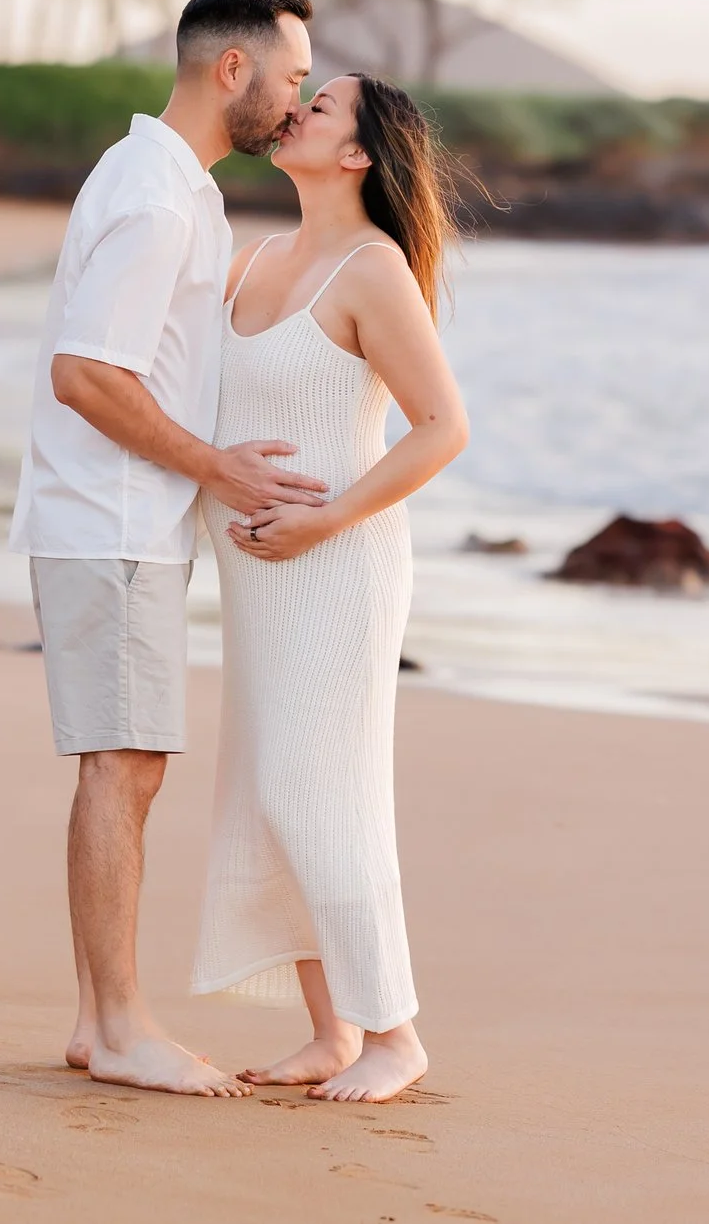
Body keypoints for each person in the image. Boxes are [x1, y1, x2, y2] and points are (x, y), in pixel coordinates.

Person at [7, 0, 320, 1097]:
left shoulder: (173, 183)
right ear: (228, 67)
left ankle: (103, 1020)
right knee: (124, 760)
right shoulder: (153, 194)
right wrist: (214, 465)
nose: (297, 100)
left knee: (123, 762)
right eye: (289, 77)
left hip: (123, 518)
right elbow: (87, 371)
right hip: (112, 517)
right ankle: (123, 1024)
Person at [190, 72, 469, 1102]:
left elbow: (444, 425)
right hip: (259, 576)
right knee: (275, 789)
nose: (298, 106)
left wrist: (322, 516)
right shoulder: (252, 258)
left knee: (318, 791)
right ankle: (332, 1029)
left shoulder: (371, 267)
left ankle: (396, 1032)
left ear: (357, 153)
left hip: (339, 567)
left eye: (324, 105)